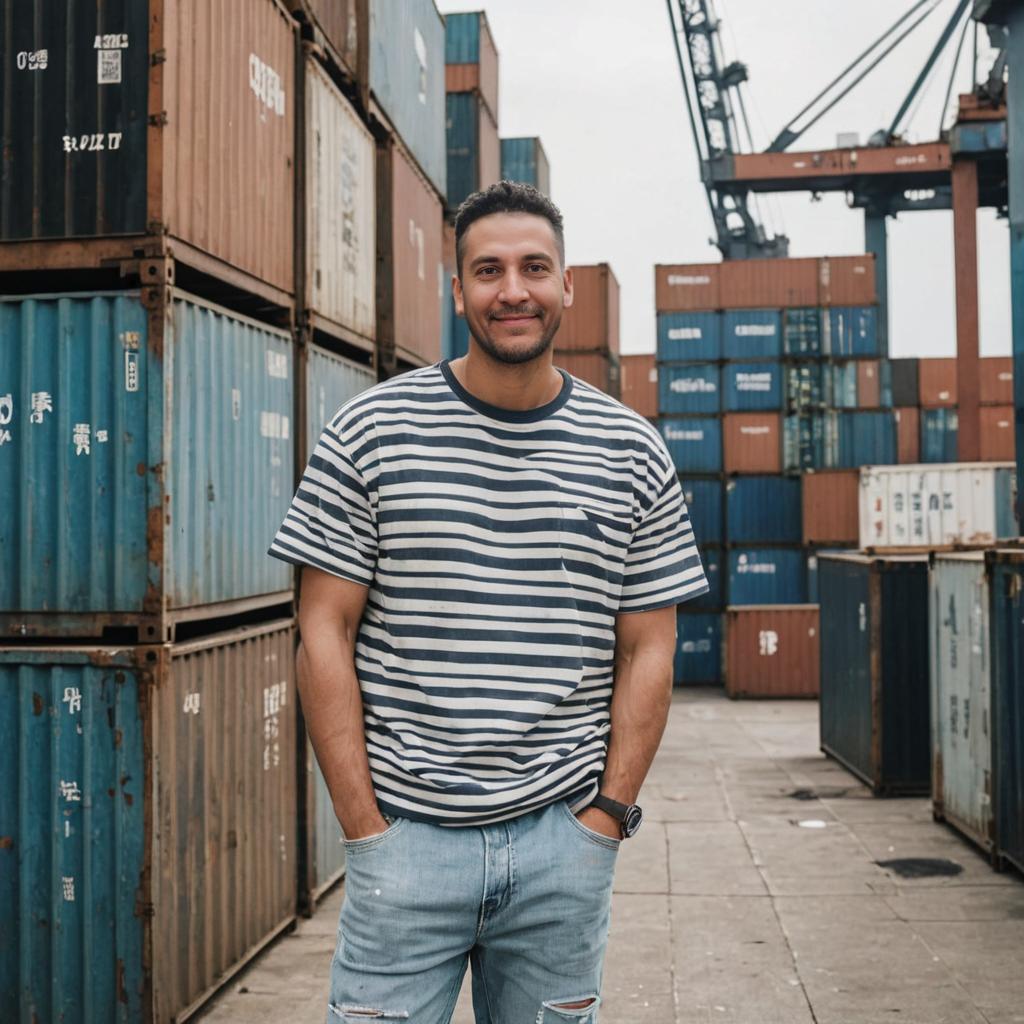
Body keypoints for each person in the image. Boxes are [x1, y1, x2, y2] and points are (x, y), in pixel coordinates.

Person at [269, 181, 708, 1023]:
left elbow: (650, 647)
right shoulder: (369, 431)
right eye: (489, 269)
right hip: (406, 843)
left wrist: (604, 821)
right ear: (457, 283)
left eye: (535, 267)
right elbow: (322, 631)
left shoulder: (630, 450)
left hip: (562, 847)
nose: (514, 290)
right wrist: (366, 830)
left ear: (567, 284)